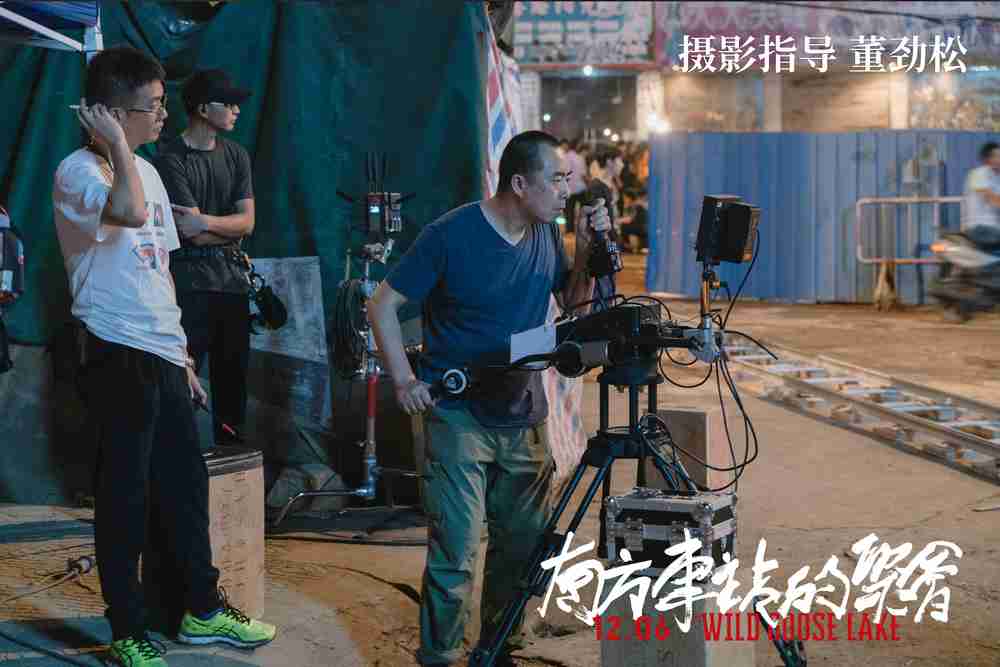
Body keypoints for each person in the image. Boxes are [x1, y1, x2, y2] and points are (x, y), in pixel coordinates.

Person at [52, 46, 276, 667]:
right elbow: (124, 214)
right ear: (110, 114)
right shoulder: (78, 172)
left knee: (185, 486)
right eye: (151, 106)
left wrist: (182, 355)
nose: (163, 115)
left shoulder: (148, 171)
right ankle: (127, 629)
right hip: (114, 348)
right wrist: (116, 147)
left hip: (161, 349)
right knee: (123, 496)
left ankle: (201, 610)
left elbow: (160, 271)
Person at [368, 130, 610, 666]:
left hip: (523, 412)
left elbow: (573, 305)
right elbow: (381, 305)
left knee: (522, 548)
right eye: (556, 179)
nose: (565, 191)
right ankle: (440, 655)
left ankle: (498, 648)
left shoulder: (547, 234)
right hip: (459, 415)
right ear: (520, 184)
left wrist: (588, 252)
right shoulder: (451, 234)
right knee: (456, 551)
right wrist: (405, 380)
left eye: (567, 180)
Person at [153, 68, 255, 447]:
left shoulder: (237, 156)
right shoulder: (170, 159)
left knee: (233, 388)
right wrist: (222, 229)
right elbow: (188, 232)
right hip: (188, 288)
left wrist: (206, 223)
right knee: (182, 382)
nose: (236, 110)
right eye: (227, 103)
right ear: (201, 108)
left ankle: (234, 470)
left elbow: (247, 223)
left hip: (233, 286)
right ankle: (176, 467)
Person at [961, 141, 1000, 246]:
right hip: (979, 228)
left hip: (993, 228)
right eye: (995, 156)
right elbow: (992, 199)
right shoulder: (978, 174)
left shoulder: (997, 177)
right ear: (987, 159)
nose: (998, 159)